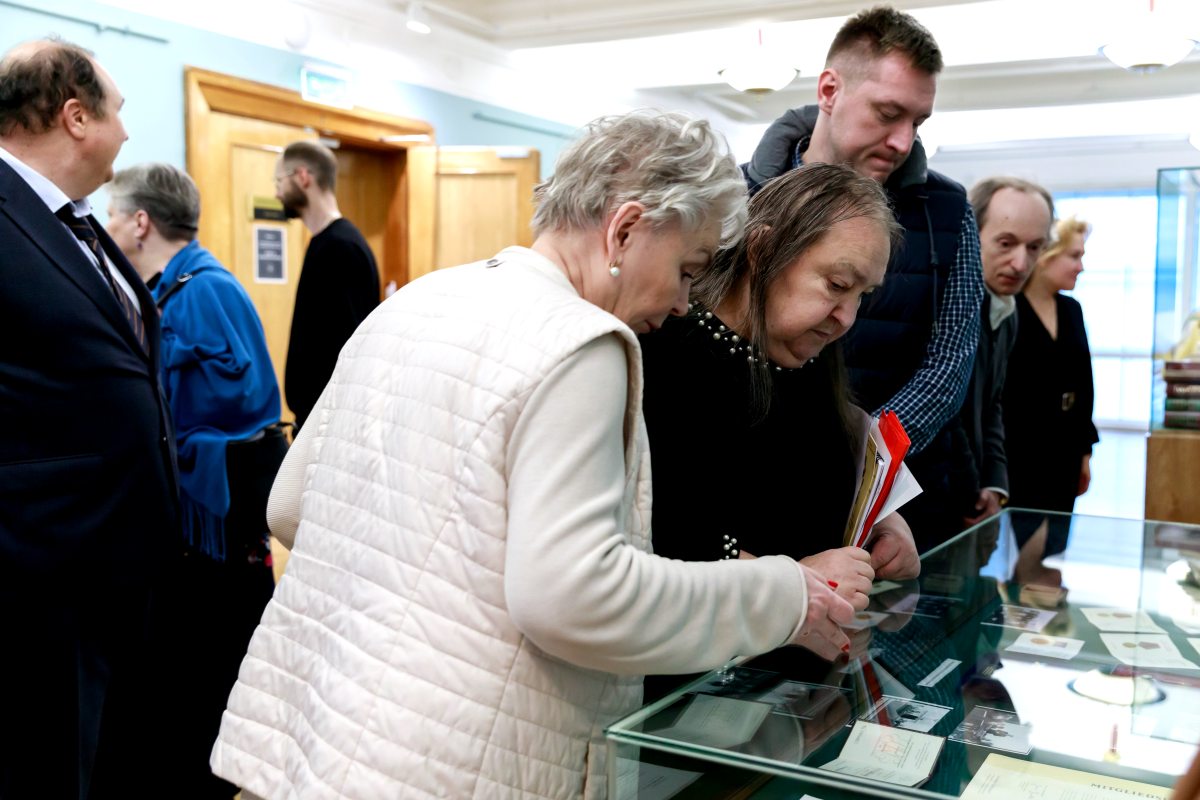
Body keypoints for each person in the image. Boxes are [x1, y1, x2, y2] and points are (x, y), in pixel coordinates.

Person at [210, 110, 857, 800]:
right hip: (449, 762)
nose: (681, 303)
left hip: (317, 734)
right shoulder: (581, 345)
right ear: (626, 229)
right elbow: (575, 598)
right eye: (686, 269)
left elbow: (291, 505)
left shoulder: (416, 299)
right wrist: (781, 593)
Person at [640, 163, 920, 701]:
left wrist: (882, 522)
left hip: (794, 681)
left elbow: (821, 476)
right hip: (698, 686)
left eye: (863, 295)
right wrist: (794, 583)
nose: (846, 317)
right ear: (763, 249)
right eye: (837, 285)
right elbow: (663, 537)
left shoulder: (808, 356)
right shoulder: (669, 353)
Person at [0, 39, 179, 798]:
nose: (128, 131)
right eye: (119, 111)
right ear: (76, 117)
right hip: (39, 577)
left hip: (117, 567)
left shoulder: (77, 222)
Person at [742, 5, 984, 549]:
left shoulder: (947, 210)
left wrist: (869, 462)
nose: (903, 141)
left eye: (917, 122)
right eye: (887, 113)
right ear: (830, 90)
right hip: (760, 485)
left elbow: (950, 363)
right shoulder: (740, 198)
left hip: (903, 496)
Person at [104, 162, 284, 798]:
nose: (106, 224)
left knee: (209, 673)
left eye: (112, 212)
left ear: (140, 222)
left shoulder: (207, 290)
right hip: (188, 525)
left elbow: (245, 405)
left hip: (216, 529)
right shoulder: (167, 288)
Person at [946, 178, 1054, 539]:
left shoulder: (1008, 310)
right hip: (933, 500)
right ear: (972, 234)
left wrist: (994, 483)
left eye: (1035, 247)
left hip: (973, 499)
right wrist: (970, 491)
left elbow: (992, 403)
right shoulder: (947, 304)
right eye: (1006, 243)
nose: (1021, 263)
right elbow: (946, 411)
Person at [1003, 216, 1099, 549]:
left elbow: (1084, 384)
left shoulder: (1071, 309)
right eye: (1074, 256)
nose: (1081, 267)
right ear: (1047, 256)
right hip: (1020, 453)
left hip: (1066, 449)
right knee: (1021, 546)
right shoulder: (1009, 309)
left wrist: (1085, 452)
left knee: (1053, 548)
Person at [275, 139, 379, 430]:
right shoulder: (325, 242)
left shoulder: (341, 247)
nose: (276, 193)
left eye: (279, 181)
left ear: (302, 177)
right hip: (316, 419)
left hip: (331, 422)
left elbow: (347, 344)